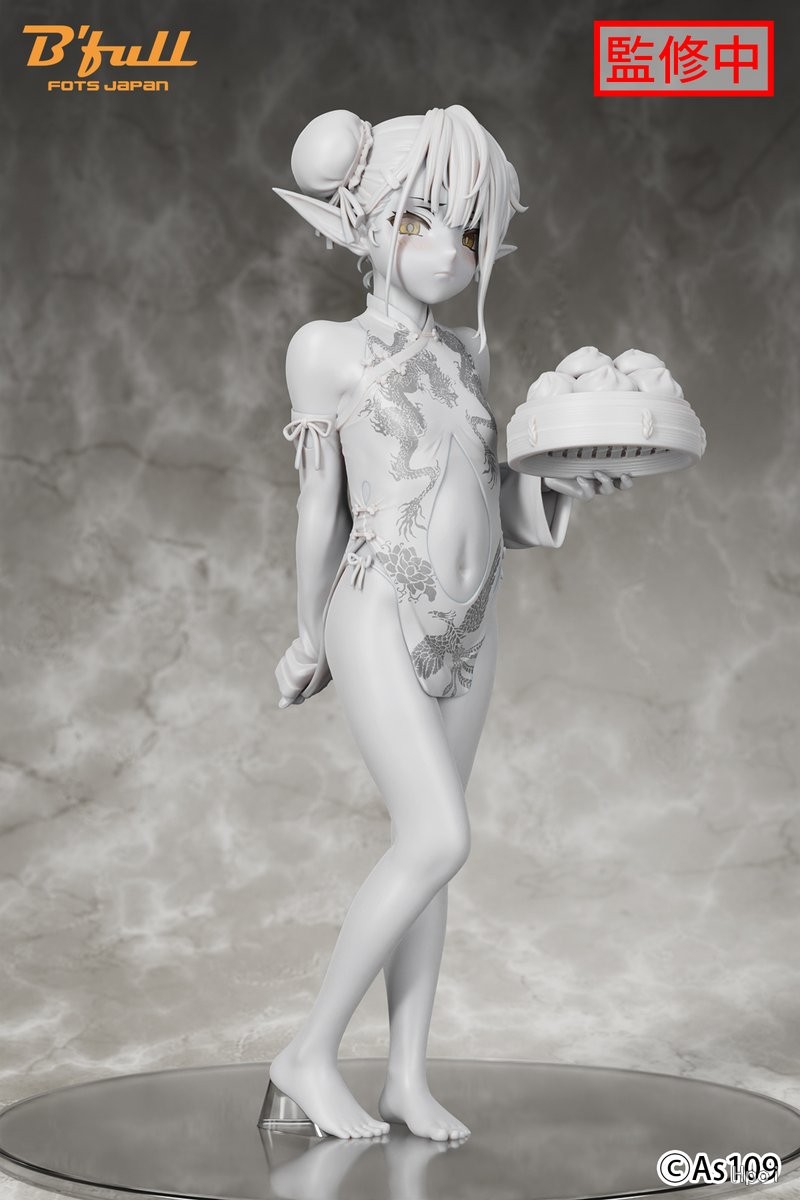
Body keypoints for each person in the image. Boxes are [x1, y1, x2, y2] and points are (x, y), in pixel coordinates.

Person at [266, 105, 629, 1142]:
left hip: (471, 622)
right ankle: (305, 1056)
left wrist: (559, 484)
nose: (447, 250)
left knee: (429, 859)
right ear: (362, 219)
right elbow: (317, 508)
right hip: (377, 605)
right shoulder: (325, 348)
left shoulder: (470, 354)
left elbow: (485, 500)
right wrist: (307, 635)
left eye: (468, 230)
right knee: (436, 836)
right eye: (419, 220)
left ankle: (405, 1078)